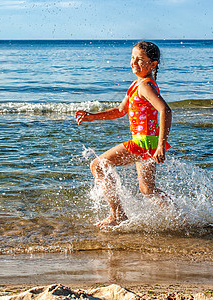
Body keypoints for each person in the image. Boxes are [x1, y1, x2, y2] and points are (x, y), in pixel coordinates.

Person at [75, 41, 172, 228]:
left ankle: (117, 214)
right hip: (147, 143)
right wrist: (92, 117)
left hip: (143, 143)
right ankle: (179, 215)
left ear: (153, 64)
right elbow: (120, 110)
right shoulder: (138, 84)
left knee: (98, 166)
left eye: (140, 60)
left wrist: (161, 144)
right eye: (132, 58)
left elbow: (165, 111)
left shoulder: (145, 86)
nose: (134, 63)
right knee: (147, 189)